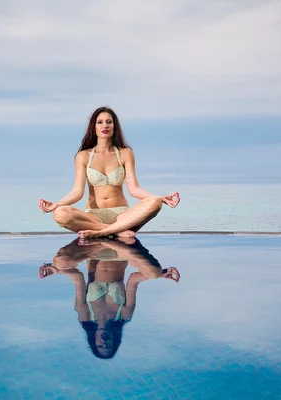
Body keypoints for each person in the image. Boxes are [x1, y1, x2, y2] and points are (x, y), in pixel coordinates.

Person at [38, 106, 180, 238]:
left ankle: (102, 232)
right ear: (94, 127)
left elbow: (134, 189)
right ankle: (114, 230)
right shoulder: (83, 156)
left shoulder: (125, 153)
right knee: (60, 213)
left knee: (154, 203)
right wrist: (57, 204)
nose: (105, 125)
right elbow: (77, 192)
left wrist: (160, 198)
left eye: (109, 122)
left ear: (114, 126)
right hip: (93, 217)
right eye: (100, 122)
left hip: (122, 215)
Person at [39, 237, 181, 359]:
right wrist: (160, 274)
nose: (104, 341)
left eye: (100, 345)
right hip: (120, 252)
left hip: (94, 252)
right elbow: (133, 280)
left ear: (93, 341)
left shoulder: (86, 316)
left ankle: (101, 238)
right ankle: (116, 239)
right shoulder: (124, 315)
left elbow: (78, 278)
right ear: (115, 340)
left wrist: (56, 270)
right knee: (154, 272)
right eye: (109, 344)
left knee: (60, 262)